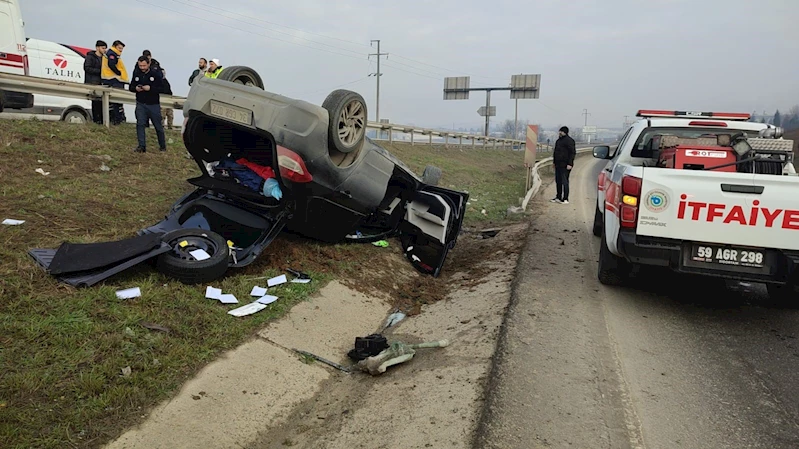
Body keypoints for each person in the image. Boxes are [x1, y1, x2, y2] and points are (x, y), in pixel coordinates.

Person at [129, 56, 167, 153]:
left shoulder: (155, 74)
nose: (142, 67)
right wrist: (136, 88)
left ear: (148, 64)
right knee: (140, 124)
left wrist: (150, 88)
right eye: (140, 65)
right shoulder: (136, 73)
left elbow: (162, 88)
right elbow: (131, 86)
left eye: (144, 65)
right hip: (141, 103)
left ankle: (162, 146)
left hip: (153, 104)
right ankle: (141, 146)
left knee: (158, 126)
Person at [101, 40, 129, 125]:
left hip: (112, 79)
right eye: (119, 48)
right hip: (113, 79)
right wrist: (118, 73)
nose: (121, 50)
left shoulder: (113, 53)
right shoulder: (112, 54)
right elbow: (111, 64)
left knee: (114, 102)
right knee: (116, 101)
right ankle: (117, 119)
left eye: (122, 49)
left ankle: (116, 119)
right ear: (115, 46)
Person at [551, 126, 576, 204]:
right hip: (558, 164)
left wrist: (570, 163)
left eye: (560, 131)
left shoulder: (570, 141)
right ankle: (558, 197)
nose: (559, 133)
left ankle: (565, 198)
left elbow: (572, 153)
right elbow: (555, 152)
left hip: (565, 165)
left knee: (565, 182)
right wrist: (554, 163)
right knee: (558, 181)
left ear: (564, 132)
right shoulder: (558, 141)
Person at [83, 40, 106, 124]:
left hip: (101, 83)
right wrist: (100, 71)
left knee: (101, 102)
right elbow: (87, 68)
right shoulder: (90, 57)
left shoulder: (104, 58)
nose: (104, 50)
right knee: (95, 102)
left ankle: (102, 121)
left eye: (105, 48)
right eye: (103, 48)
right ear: (97, 47)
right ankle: (96, 120)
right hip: (93, 82)